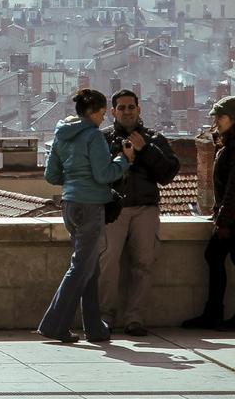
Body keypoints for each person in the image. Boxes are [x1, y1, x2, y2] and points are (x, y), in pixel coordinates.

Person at [39, 88, 136, 344]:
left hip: (70, 205)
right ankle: (54, 324)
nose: (104, 118)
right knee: (81, 267)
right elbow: (104, 175)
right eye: (103, 113)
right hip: (91, 205)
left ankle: (94, 326)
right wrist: (123, 160)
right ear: (93, 112)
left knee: (89, 265)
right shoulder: (93, 137)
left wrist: (72, 179)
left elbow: (51, 176)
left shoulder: (61, 135)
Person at [100, 89, 181, 337]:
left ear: (139, 109)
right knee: (108, 263)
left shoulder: (154, 139)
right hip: (113, 209)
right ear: (113, 112)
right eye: (121, 108)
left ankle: (135, 317)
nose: (126, 112)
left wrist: (145, 150)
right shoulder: (101, 140)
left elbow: (167, 174)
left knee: (143, 263)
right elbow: (95, 173)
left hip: (145, 208)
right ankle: (104, 315)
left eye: (131, 107)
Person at [183, 91, 235, 331]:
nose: (216, 121)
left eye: (221, 117)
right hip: (233, 216)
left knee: (224, 258)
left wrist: (224, 220)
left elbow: (234, 187)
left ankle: (226, 314)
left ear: (234, 119)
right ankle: (232, 314)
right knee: (232, 261)